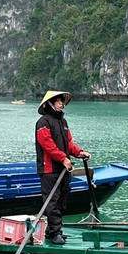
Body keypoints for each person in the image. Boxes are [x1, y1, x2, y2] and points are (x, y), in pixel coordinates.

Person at [34, 90, 91, 245]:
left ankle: (52, 231)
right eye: (58, 101)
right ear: (50, 103)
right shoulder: (43, 123)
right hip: (49, 169)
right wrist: (63, 158)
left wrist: (79, 152)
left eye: (62, 101)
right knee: (51, 201)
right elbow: (47, 145)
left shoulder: (63, 122)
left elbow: (69, 143)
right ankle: (54, 232)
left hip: (63, 169)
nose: (62, 103)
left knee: (62, 200)